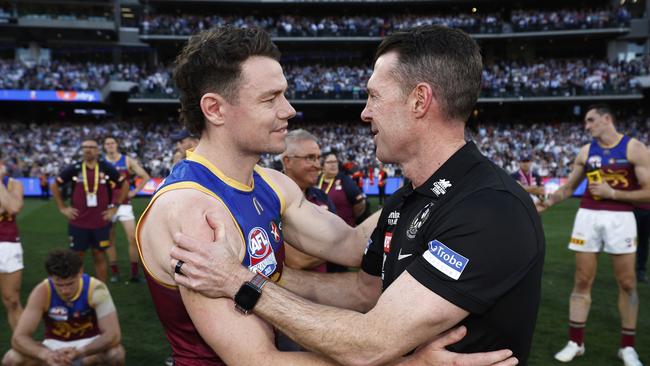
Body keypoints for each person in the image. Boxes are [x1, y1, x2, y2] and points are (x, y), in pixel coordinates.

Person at [138, 26, 517, 366]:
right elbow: (257, 360)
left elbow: (353, 245)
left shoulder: (271, 184)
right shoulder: (192, 210)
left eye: (284, 95)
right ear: (215, 109)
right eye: (270, 99)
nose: (289, 110)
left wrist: (428, 186)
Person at [539, 104, 649, 366]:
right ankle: (575, 342)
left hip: (621, 218)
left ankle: (627, 347)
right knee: (582, 280)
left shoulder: (634, 148)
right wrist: (547, 202)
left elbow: (648, 192)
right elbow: (568, 189)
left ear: (606, 119)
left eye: (590, 120)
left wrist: (614, 194)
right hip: (587, 216)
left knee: (627, 283)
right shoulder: (586, 151)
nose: (586, 126)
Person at [2, 248, 125, 366]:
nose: (65, 290)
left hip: (88, 345)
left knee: (116, 355)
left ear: (80, 272)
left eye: (70, 283)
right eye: (59, 285)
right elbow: (18, 337)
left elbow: (113, 335)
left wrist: (80, 352)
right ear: (51, 277)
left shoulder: (96, 289)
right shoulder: (42, 291)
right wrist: (46, 354)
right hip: (54, 347)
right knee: (11, 359)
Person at [51, 137, 128, 283]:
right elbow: (54, 185)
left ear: (98, 150)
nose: (88, 150)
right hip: (78, 222)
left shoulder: (105, 167)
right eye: (85, 147)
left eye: (92, 147)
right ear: (82, 150)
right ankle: (79, 290)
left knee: (99, 256)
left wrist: (116, 207)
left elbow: (124, 183)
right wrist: (62, 207)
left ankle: (101, 291)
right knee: (77, 257)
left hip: (100, 222)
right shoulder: (75, 168)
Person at [281, 129, 337, 272]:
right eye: (310, 158)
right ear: (288, 161)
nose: (318, 165)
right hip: (286, 292)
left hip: (325, 289)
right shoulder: (270, 199)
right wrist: (340, 247)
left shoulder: (321, 197)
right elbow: (296, 260)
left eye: (318, 158)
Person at [103, 136, 151, 284]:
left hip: (124, 204)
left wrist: (134, 192)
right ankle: (115, 273)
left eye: (112, 143)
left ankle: (134, 274)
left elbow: (145, 176)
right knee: (109, 240)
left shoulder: (126, 160)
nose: (110, 145)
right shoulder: (101, 162)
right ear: (104, 147)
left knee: (133, 238)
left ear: (117, 144)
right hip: (106, 206)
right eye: (107, 144)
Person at [0, 154, 24, 331]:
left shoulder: (13, 184)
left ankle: (25, 346)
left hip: (7, 243)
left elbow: (13, 208)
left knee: (12, 299)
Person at [318, 151, 366, 227]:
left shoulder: (345, 180)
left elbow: (360, 203)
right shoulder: (316, 180)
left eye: (335, 161)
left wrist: (349, 219)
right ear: (322, 165)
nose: (333, 164)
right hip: (320, 229)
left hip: (344, 229)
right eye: (329, 162)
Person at [635, 203, 650, 283]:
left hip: (648, 210)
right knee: (625, 241)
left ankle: (641, 270)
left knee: (644, 241)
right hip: (633, 209)